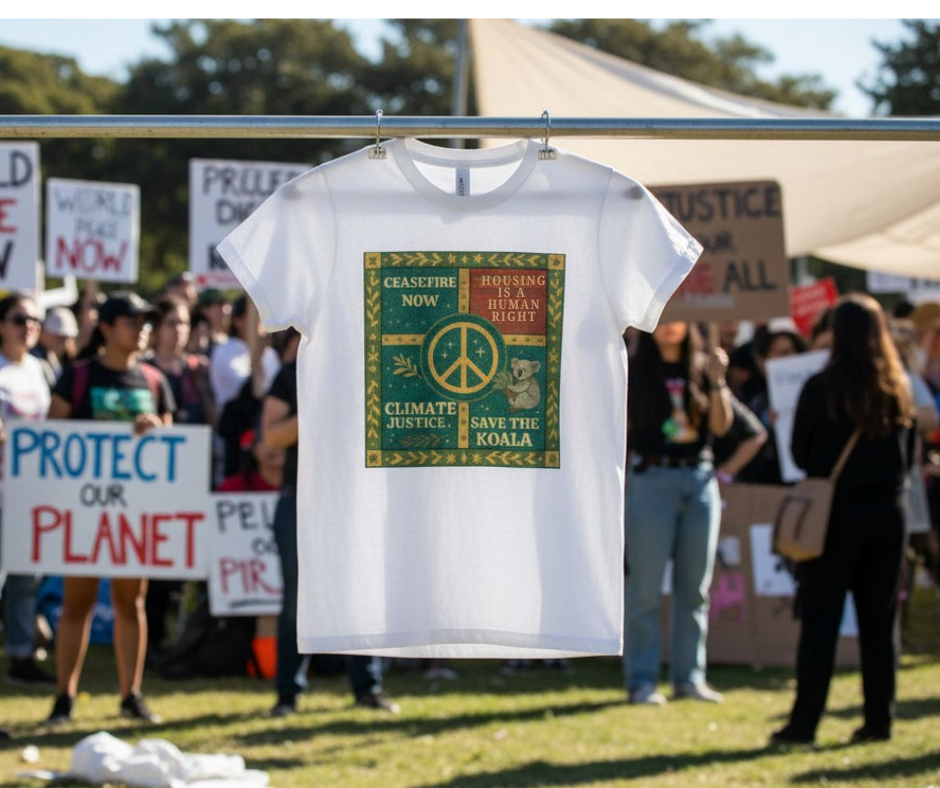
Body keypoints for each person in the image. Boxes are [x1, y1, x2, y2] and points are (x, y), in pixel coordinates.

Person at [771, 294, 915, 745]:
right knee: (879, 624)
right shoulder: (898, 389)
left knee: (820, 623)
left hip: (832, 517)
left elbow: (799, 455)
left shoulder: (820, 387)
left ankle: (804, 725)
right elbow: (907, 460)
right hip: (889, 515)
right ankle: (878, 722)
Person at [45, 291, 176, 726]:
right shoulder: (77, 377)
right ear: (105, 327)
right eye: (131, 322)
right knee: (76, 602)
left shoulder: (156, 382)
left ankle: (130, 694)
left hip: (134, 514)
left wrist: (154, 430)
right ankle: (64, 697)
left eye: (145, 322)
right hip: (86, 510)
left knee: (130, 601)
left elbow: (170, 452)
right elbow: (53, 439)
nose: (141, 330)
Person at [262, 359, 399, 717]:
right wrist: (315, 406)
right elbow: (273, 436)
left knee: (360, 593)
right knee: (297, 601)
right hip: (301, 501)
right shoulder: (293, 371)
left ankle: (367, 687)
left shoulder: (370, 364)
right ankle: (287, 695)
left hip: (355, 501)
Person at [623, 321, 732, 705]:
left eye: (677, 318)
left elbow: (721, 426)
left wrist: (719, 381)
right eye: (662, 316)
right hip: (651, 478)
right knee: (645, 589)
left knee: (695, 590)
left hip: (699, 480)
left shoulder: (703, 367)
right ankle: (642, 680)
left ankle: (689, 678)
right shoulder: (632, 368)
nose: (669, 326)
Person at [0, 293, 56, 685]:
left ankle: (21, 657)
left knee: (26, 576)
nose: (29, 326)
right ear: (2, 324)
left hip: (32, 488)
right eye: (20, 318)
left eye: (35, 319)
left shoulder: (41, 370)